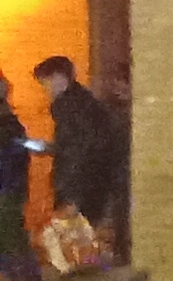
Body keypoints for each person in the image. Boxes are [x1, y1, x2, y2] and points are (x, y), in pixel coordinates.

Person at [33, 57, 121, 253]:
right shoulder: (85, 103)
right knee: (84, 237)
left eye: (45, 82)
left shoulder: (69, 107)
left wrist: (71, 193)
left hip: (79, 184)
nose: (45, 89)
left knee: (72, 238)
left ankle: (86, 263)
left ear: (59, 77)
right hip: (94, 182)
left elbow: (77, 152)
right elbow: (80, 145)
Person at [0, 80, 48, 281]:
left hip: (7, 187)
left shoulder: (7, 123)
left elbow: (15, 151)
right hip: (11, 186)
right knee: (12, 235)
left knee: (10, 235)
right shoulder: (10, 121)